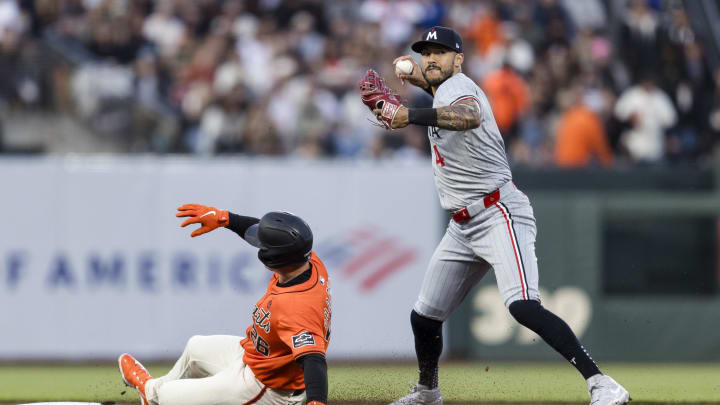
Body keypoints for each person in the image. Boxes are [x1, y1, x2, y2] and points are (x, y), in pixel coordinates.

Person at [360, 26, 630, 405]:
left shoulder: (460, 87)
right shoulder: (442, 87)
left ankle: (602, 383)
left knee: (522, 306)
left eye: (440, 51)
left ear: (459, 59)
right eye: (426, 52)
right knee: (424, 317)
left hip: (498, 212)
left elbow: (467, 115)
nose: (432, 57)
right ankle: (427, 392)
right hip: (463, 225)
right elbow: (437, 90)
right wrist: (413, 77)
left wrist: (408, 113)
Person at [118, 204, 331, 405]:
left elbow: (314, 360)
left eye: (264, 245)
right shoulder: (306, 261)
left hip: (268, 388)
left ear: (275, 257)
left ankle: (157, 396)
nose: (259, 242)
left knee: (168, 397)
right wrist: (225, 218)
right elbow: (264, 233)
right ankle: (149, 393)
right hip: (255, 357)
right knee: (195, 347)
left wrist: (316, 401)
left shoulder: (297, 306)